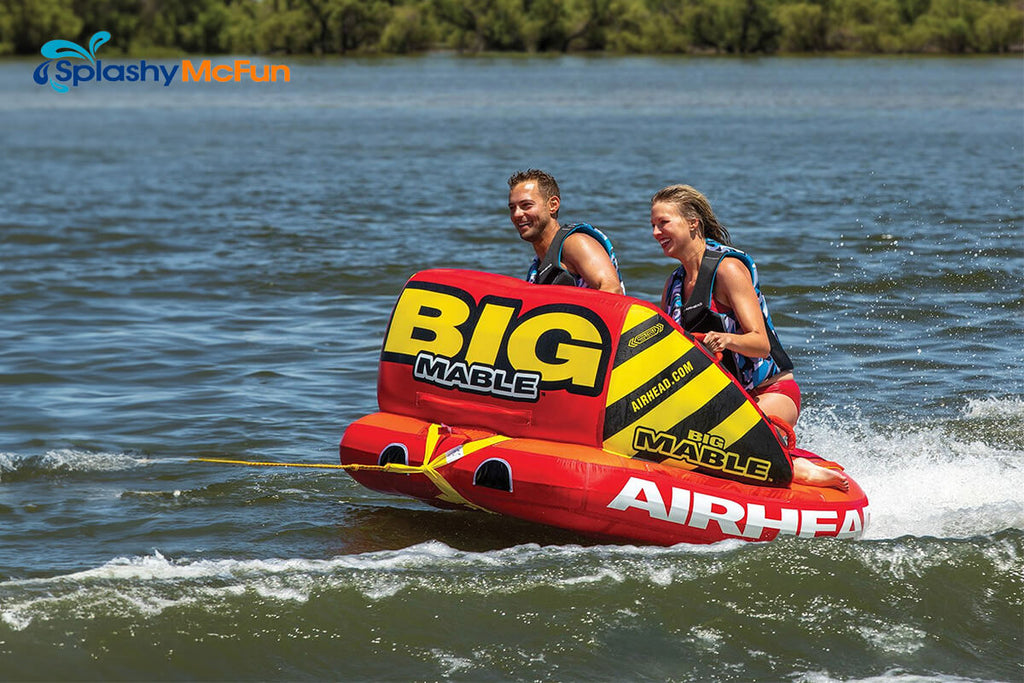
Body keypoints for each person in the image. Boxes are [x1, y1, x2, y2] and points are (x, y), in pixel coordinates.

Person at [650, 184, 848, 492]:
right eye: (652, 225)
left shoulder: (727, 270)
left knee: (735, 448)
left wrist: (726, 340)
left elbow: (760, 344)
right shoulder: (673, 285)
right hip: (723, 402)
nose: (655, 232)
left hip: (770, 393)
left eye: (663, 223)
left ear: (692, 223)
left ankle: (799, 469)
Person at [508, 169, 625, 294]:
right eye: (512, 208)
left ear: (553, 205)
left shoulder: (575, 243)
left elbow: (613, 290)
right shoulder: (537, 269)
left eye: (526, 205)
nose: (517, 214)